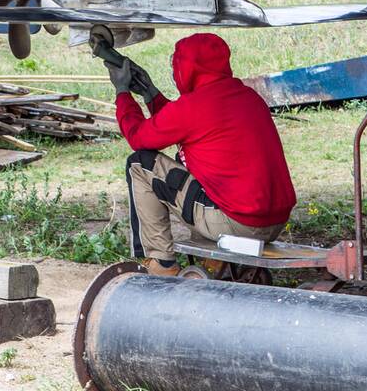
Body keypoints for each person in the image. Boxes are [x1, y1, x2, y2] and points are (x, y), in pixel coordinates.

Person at [105, 32, 297, 276]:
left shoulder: (194, 107)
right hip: (274, 222)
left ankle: (161, 262)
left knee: (140, 165)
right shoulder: (248, 96)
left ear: (186, 69)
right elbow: (181, 122)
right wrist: (150, 93)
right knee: (187, 167)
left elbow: (139, 137)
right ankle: (217, 265)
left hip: (237, 223)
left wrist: (122, 93)